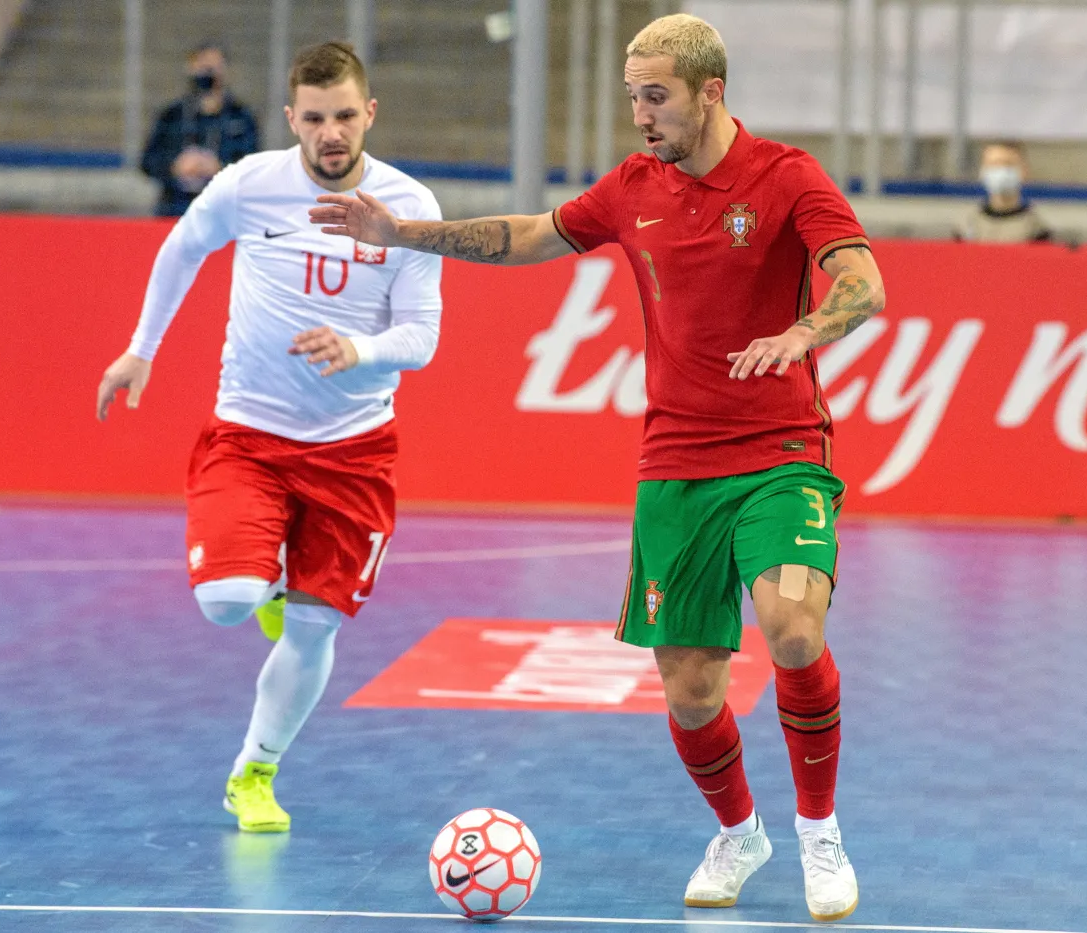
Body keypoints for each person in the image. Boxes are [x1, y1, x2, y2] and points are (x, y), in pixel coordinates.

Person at [311, 13, 884, 923]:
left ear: (710, 92)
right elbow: (531, 234)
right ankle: (740, 832)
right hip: (675, 464)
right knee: (693, 690)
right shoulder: (632, 187)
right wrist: (402, 233)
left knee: (792, 630)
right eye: (632, 98)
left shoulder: (786, 177)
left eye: (655, 97)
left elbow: (862, 281)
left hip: (781, 452)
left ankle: (821, 832)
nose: (641, 115)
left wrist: (803, 331)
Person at [98, 41, 443, 834]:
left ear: (370, 115)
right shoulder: (248, 185)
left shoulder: (407, 205)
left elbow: (422, 337)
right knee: (227, 604)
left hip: (356, 450)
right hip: (249, 436)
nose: (331, 132)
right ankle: (268, 586)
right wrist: (141, 348)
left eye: (346, 116)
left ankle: (253, 771)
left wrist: (360, 350)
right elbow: (183, 246)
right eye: (315, 118)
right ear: (292, 119)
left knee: (316, 628)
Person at [140, 40, 260, 217]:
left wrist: (219, 167)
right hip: (175, 208)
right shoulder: (172, 115)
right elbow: (148, 161)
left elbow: (253, 166)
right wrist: (175, 166)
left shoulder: (241, 116)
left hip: (223, 211)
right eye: (202, 66)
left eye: (213, 66)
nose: (207, 73)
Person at [955, 141, 1052, 243]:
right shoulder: (966, 225)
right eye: (993, 164)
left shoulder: (1036, 229)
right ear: (982, 171)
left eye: (1008, 164)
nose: (1000, 170)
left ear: (1024, 170)